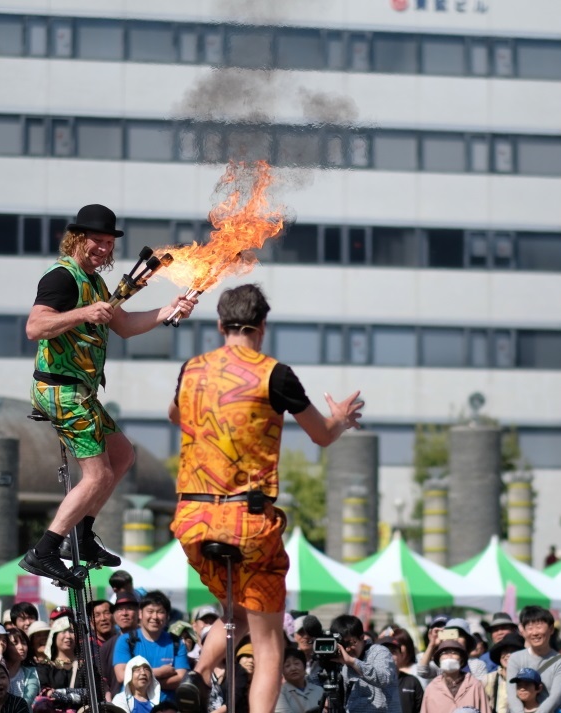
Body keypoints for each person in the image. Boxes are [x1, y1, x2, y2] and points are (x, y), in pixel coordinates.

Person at [169, 284, 363, 713]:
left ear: (220, 325)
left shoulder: (192, 368)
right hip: (247, 521)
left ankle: (198, 675)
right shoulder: (274, 373)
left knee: (235, 608)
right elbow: (322, 435)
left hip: (191, 518)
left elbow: (175, 414)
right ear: (263, 327)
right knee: (269, 641)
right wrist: (342, 419)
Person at [20, 203, 199, 587]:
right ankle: (45, 550)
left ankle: (80, 536)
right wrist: (83, 314)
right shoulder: (62, 277)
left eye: (107, 242)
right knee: (98, 473)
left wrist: (170, 308)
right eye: (96, 241)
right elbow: (35, 327)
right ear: (77, 239)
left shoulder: (96, 283)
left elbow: (127, 326)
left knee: (122, 454)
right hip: (59, 389)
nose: (103, 248)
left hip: (80, 391)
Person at [111, 592, 189, 703]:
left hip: (166, 708)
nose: (155, 617)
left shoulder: (176, 643)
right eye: (150, 611)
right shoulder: (126, 640)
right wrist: (159, 672)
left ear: (167, 616)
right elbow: (121, 675)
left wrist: (143, 682)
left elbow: (181, 679)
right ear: (140, 614)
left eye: (160, 612)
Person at [505, 606, 561, 713]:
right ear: (523, 631)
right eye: (530, 628)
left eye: (539, 627)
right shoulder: (515, 658)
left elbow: (555, 698)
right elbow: (512, 694)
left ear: (551, 629)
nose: (534, 632)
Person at [418, 639, 488, 713]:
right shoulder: (431, 688)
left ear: (461, 661)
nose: (449, 655)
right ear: (439, 661)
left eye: (454, 653)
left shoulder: (475, 685)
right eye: (444, 653)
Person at [100, 594, 140, 698]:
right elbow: (102, 678)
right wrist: (106, 693)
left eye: (129, 609)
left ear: (139, 613)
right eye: (119, 609)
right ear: (114, 615)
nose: (124, 613)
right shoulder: (106, 647)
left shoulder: (149, 640)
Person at [274, 647, 322, 713]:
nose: (293, 668)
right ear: (282, 671)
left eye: (296, 663)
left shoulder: (319, 690)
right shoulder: (279, 694)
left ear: (304, 666)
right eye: (287, 665)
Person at [486, 632, 525, 713]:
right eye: (505, 651)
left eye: (513, 652)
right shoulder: (489, 679)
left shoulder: (528, 680)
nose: (508, 655)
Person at [1, 630, 38, 707]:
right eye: (15, 643)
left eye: (24, 643)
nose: (21, 647)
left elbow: (29, 698)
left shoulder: (31, 672)